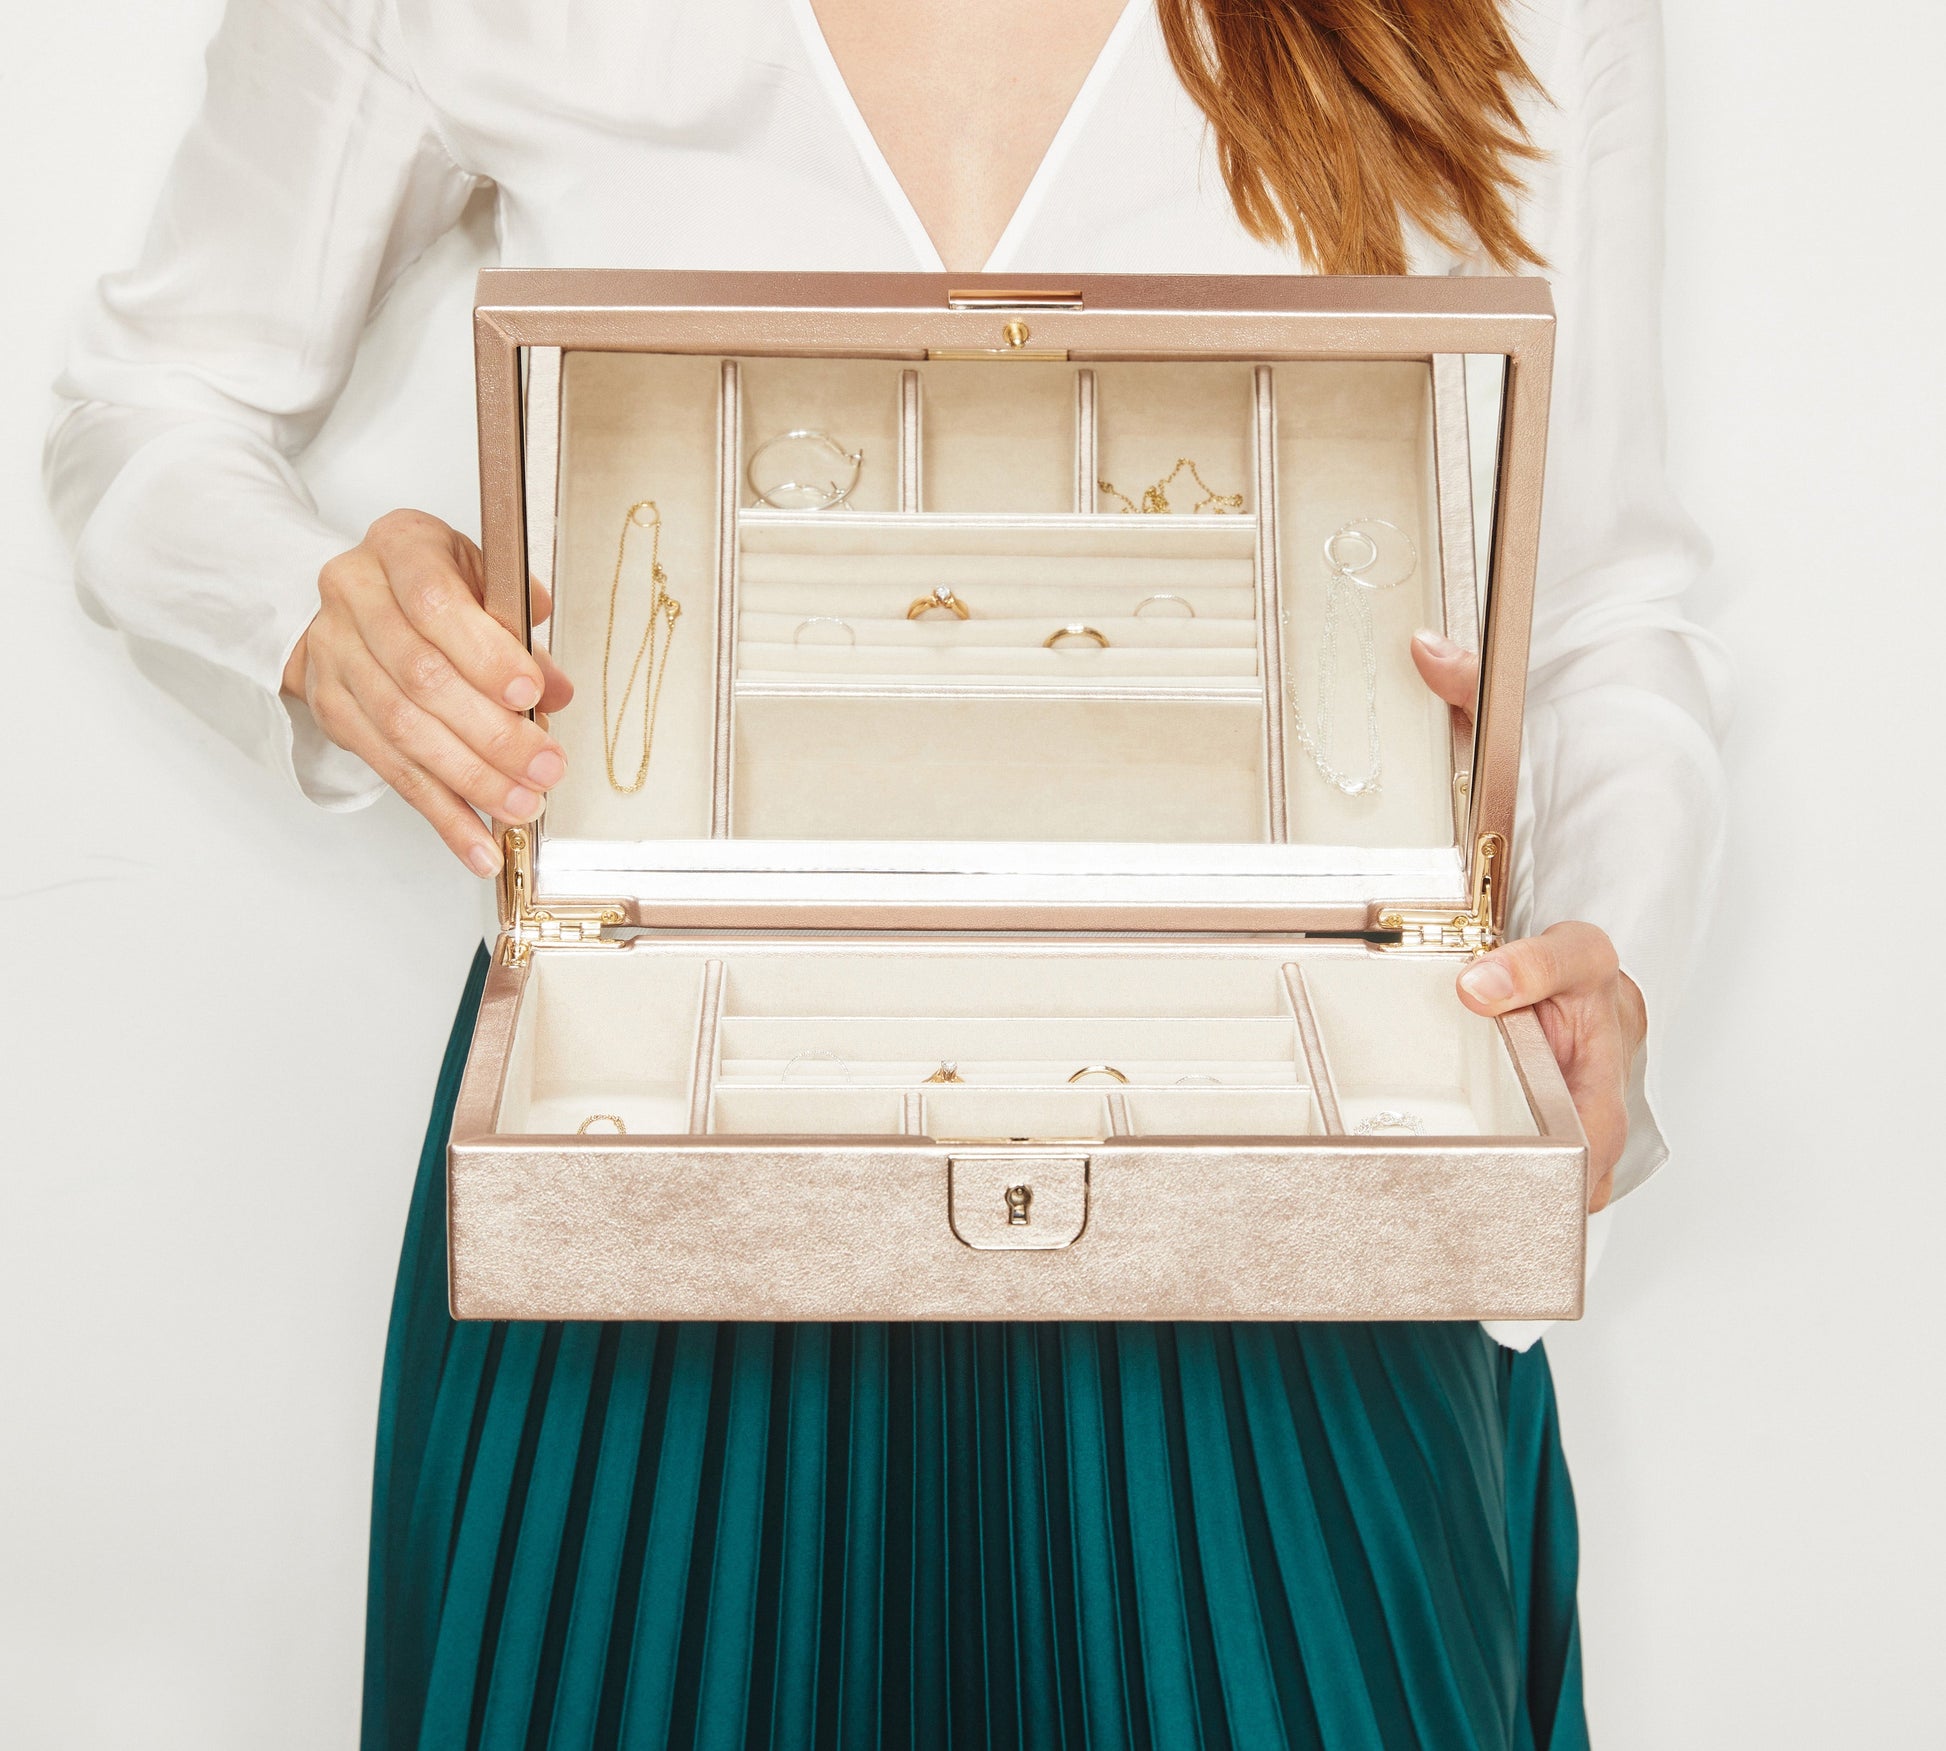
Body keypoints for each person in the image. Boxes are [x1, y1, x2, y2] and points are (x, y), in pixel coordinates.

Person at [46, 0, 1729, 1743]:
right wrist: (317, 626)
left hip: (1294, 1184)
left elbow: (1603, 607)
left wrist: (1611, 955)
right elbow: (145, 411)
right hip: (643, 1181)